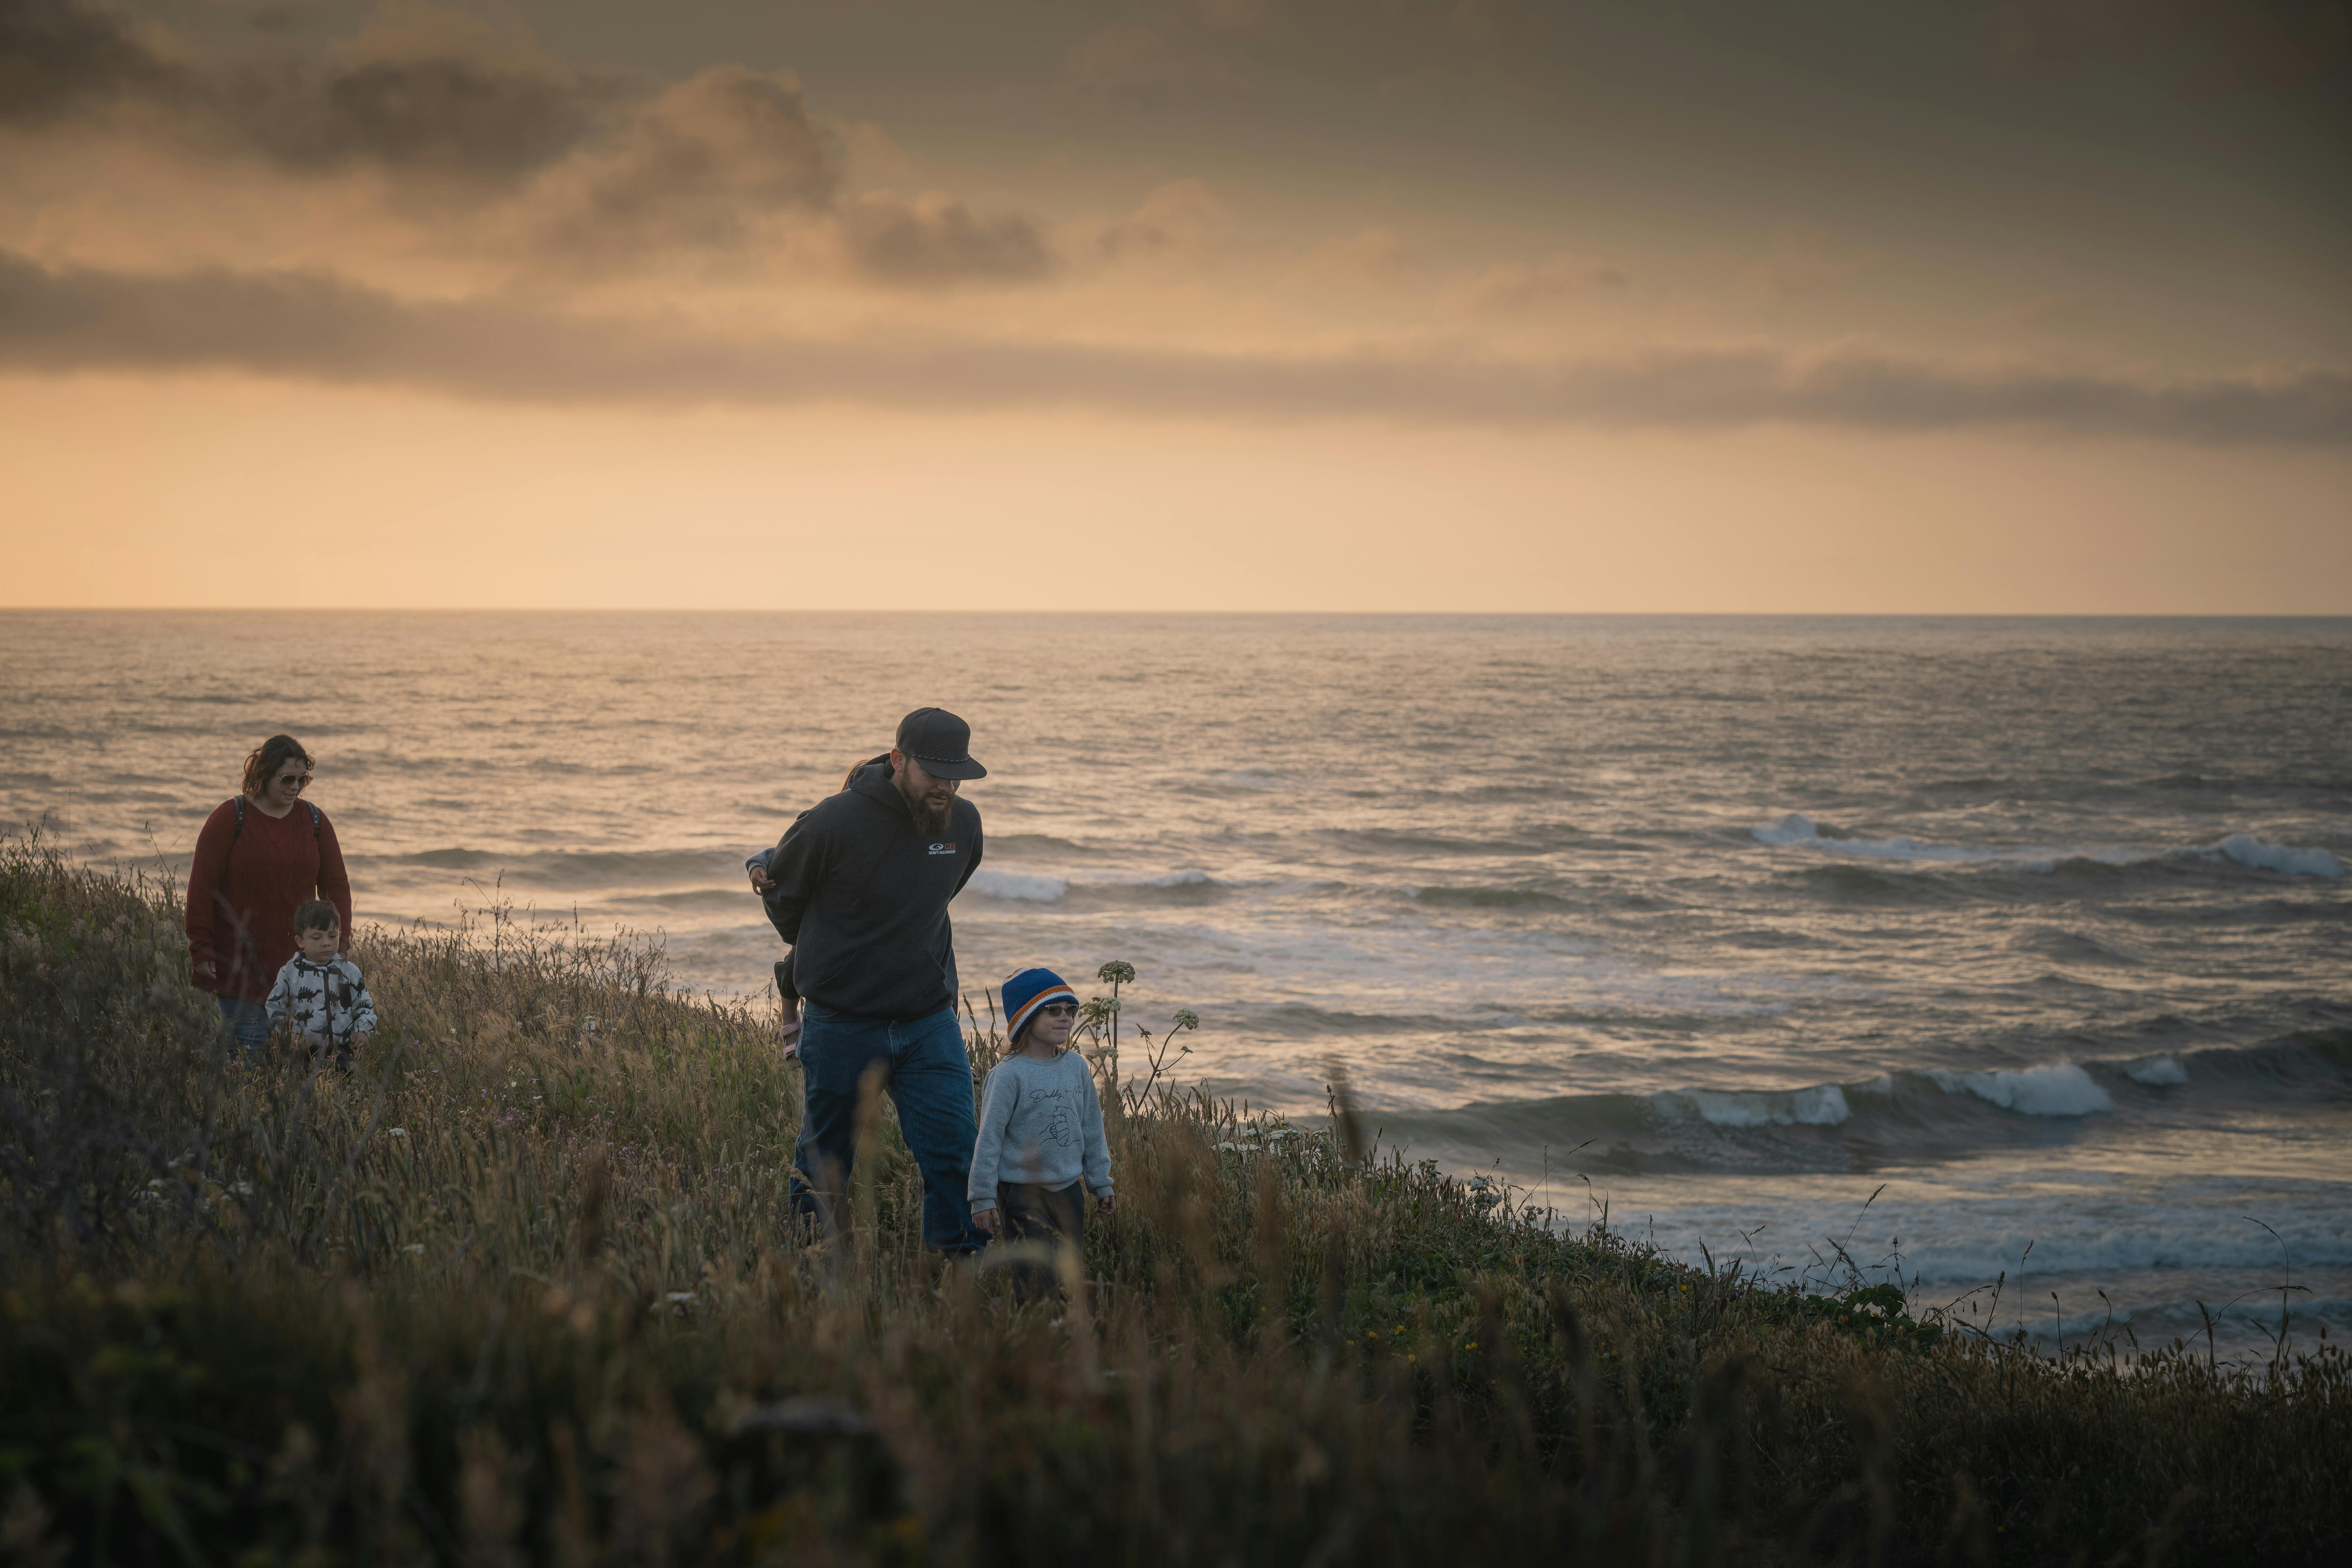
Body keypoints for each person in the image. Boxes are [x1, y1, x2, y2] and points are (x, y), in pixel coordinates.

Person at [748, 708, 990, 1254]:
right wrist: (825, 952)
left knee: (956, 1153)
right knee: (825, 1158)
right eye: (935, 773)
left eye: (957, 776)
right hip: (842, 1022)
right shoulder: (835, 820)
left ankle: (963, 1271)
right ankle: (813, 1265)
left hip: (929, 1022)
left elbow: (939, 895)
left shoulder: (965, 824)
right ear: (899, 760)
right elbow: (784, 898)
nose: (947, 788)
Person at [185, 735, 354, 1053]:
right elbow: (201, 888)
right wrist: (201, 948)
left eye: (303, 779)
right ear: (263, 777)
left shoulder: (315, 822)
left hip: (300, 973)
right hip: (242, 970)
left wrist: (339, 944)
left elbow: (336, 886)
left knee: (296, 1068)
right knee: (249, 1065)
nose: (296, 787)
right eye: (287, 779)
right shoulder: (230, 818)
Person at [969, 966, 1115, 1294]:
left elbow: (1092, 1128)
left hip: (1069, 1191)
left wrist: (1101, 1183)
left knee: (1067, 1270)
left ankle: (1063, 1330)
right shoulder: (1008, 1075)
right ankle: (1038, 1331)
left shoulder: (1077, 1066)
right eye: (1053, 1010)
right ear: (1025, 1018)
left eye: (1070, 1010)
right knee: (1035, 1277)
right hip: (1022, 1193)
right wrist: (981, 1197)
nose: (1065, 1017)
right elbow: (989, 1140)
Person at [264, 899, 378, 1070]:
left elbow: (364, 1006)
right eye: (317, 938)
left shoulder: (349, 972)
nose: (326, 943)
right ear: (300, 941)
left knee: (344, 1095)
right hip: (302, 1053)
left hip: (343, 1052)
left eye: (333, 936)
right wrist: (288, 1035)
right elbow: (275, 1006)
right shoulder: (289, 973)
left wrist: (363, 1030)